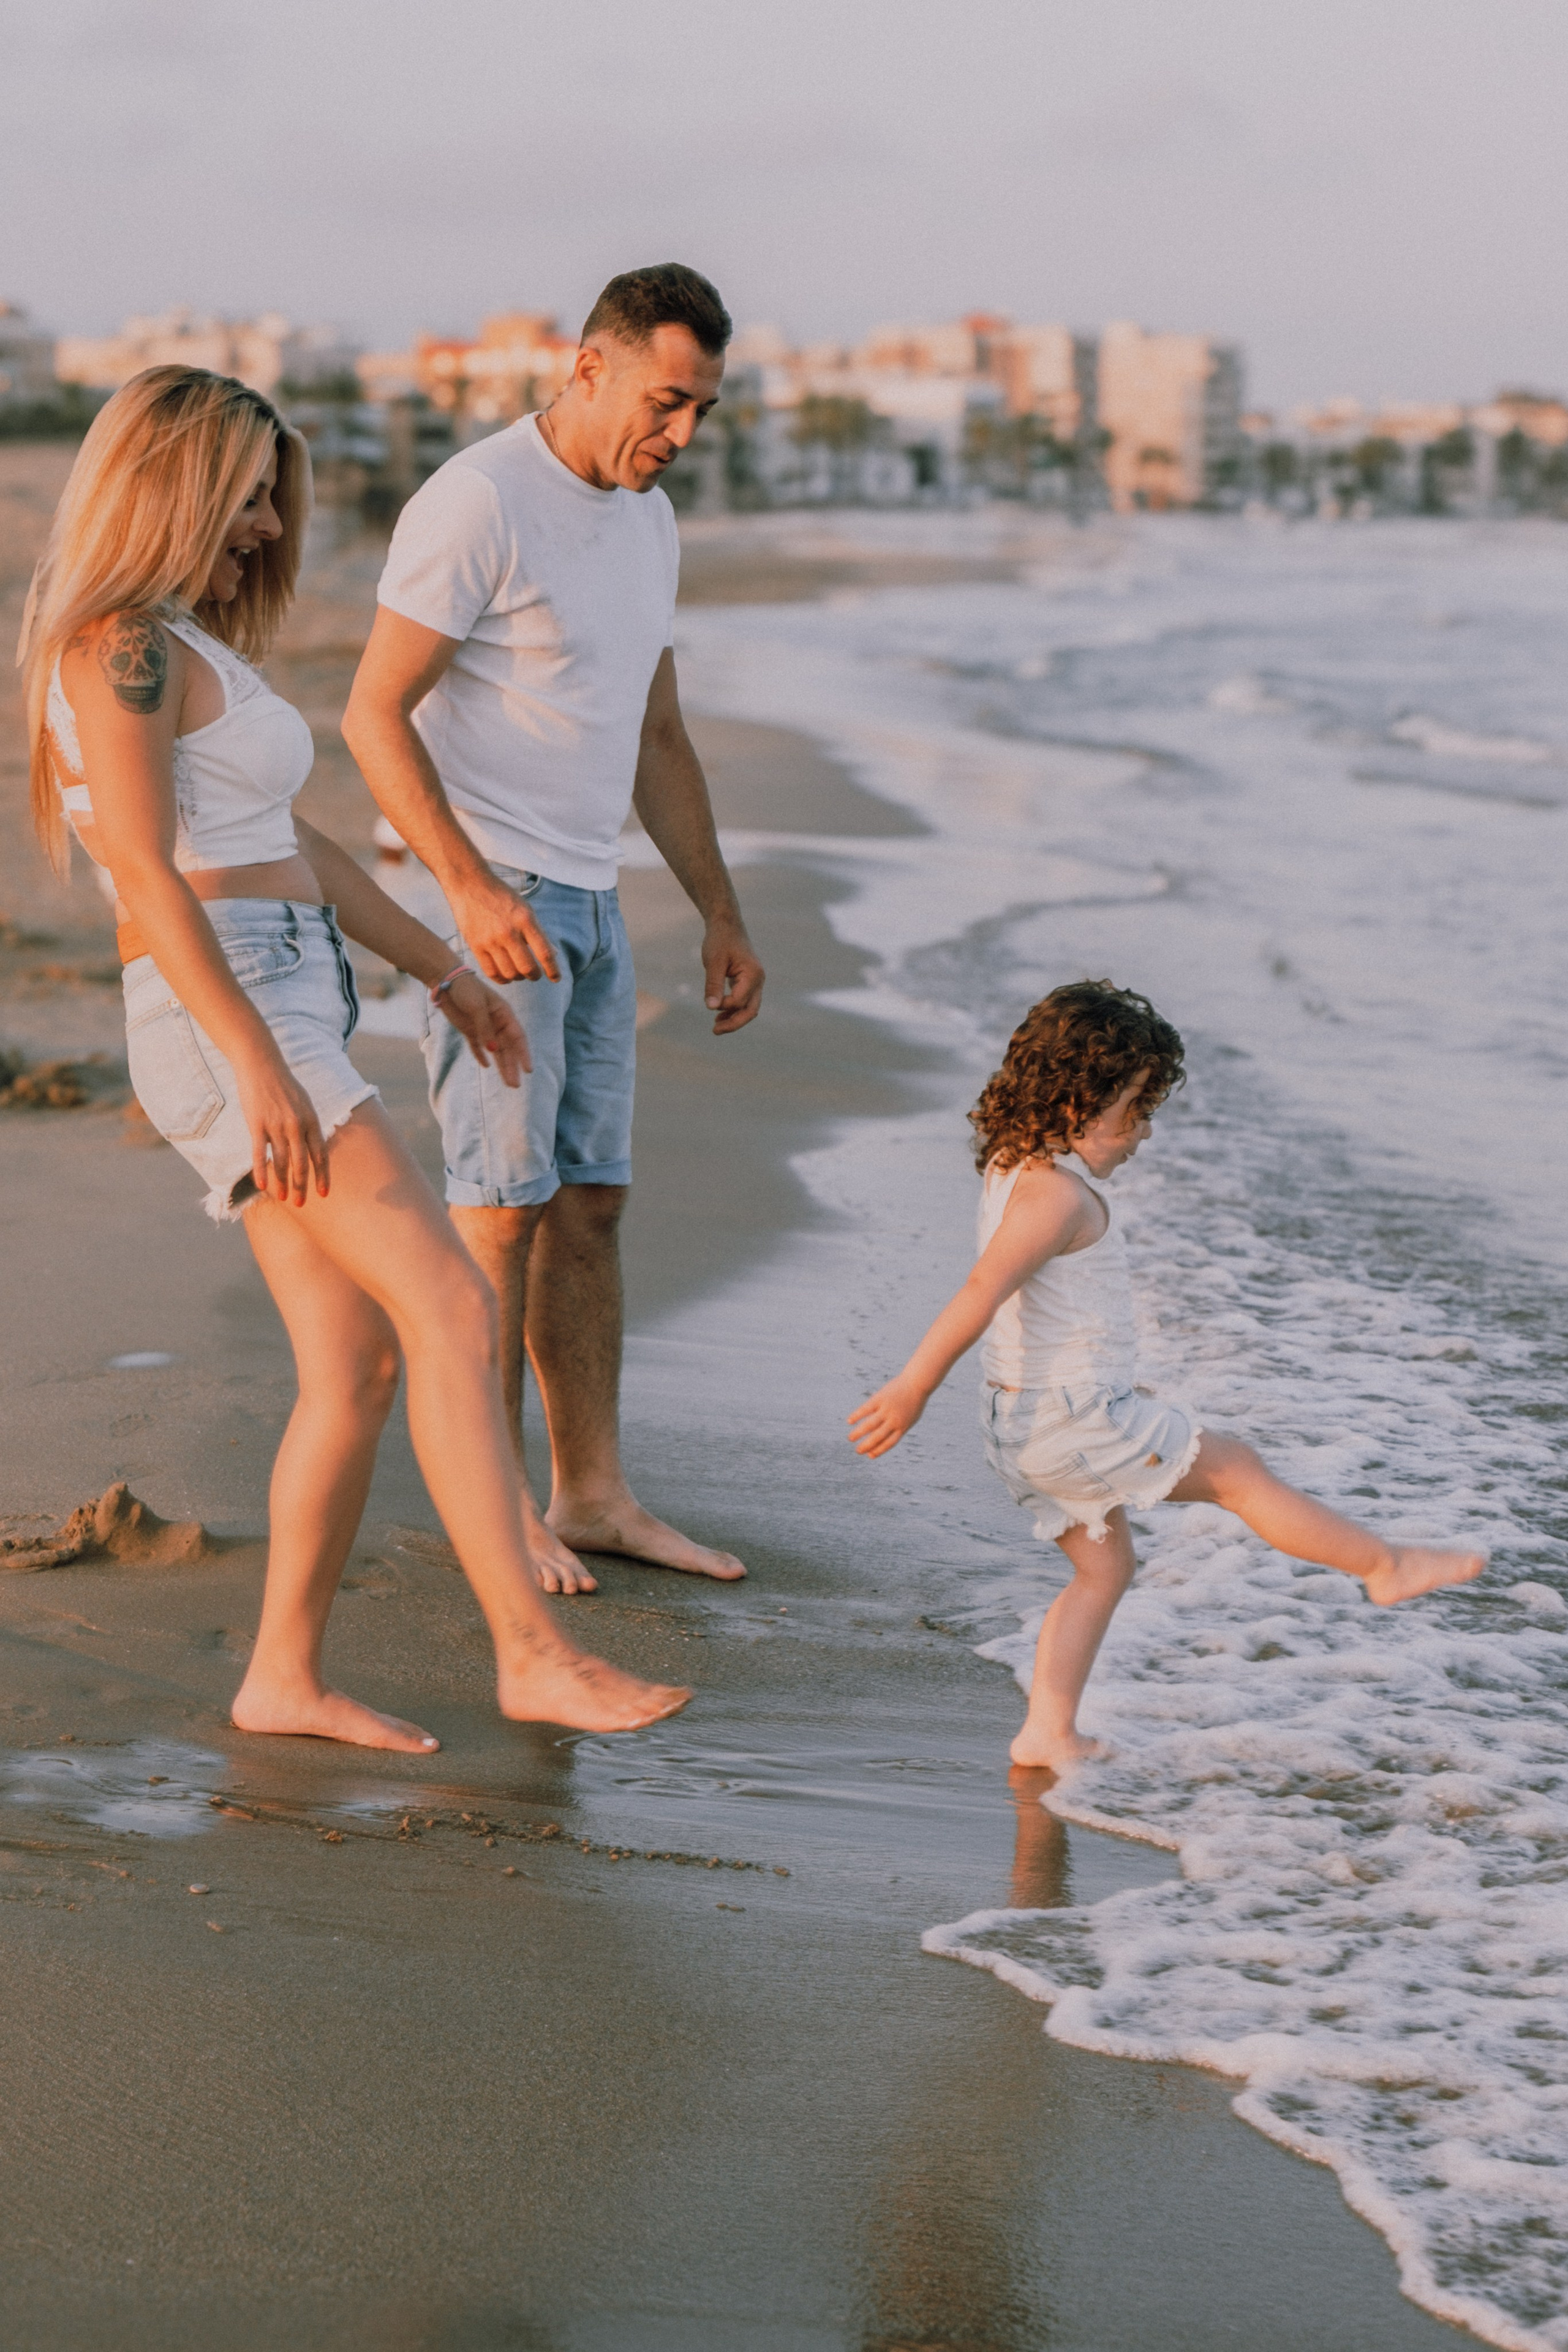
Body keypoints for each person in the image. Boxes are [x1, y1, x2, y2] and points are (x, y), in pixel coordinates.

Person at [20, 364, 691, 1753]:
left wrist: (440, 969)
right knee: (445, 1306)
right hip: (235, 1009)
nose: (267, 528)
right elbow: (145, 875)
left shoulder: (181, 643)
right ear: (173, 489)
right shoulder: (114, 647)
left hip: (290, 990)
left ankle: (283, 1677)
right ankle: (530, 1653)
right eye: (248, 499)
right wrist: (258, 1065)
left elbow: (302, 848)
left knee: (355, 1369)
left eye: (271, 501)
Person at [342, 263, 764, 1598]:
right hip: (487, 903)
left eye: (699, 411)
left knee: (590, 1202)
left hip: (587, 896)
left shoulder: (648, 522)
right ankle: (499, 1511)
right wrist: (465, 891)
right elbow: (370, 714)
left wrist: (720, 912)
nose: (678, 435)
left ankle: (590, 1498)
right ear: (587, 366)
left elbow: (654, 733)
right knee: (496, 1213)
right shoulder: (477, 500)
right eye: (663, 402)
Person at [848, 981, 1485, 1771]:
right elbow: (982, 1291)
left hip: (1026, 1421)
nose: (1146, 1133)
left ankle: (1049, 1730)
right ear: (1077, 1104)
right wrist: (912, 1385)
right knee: (1239, 1470)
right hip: (1069, 1419)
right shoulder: (1054, 1198)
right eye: (1136, 1111)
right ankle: (1385, 1566)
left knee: (1106, 1566)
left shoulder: (1016, 1166)